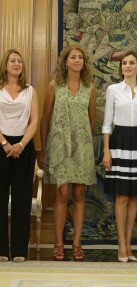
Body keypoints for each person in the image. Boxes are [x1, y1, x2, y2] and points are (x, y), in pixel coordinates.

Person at [40, 44, 96, 261]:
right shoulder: (55, 86)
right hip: (59, 148)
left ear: (84, 63)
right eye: (73, 57)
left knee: (79, 194)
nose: (77, 60)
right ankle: (58, 243)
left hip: (82, 149)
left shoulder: (90, 87)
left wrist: (80, 139)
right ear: (65, 62)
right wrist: (44, 150)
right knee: (62, 195)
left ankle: (77, 244)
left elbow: (91, 121)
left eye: (80, 57)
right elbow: (45, 120)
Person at [102, 50, 137, 262]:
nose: (127, 66)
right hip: (119, 141)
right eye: (124, 63)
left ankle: (129, 244)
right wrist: (106, 151)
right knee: (121, 195)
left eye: (131, 63)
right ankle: (121, 246)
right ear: (121, 67)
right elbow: (107, 123)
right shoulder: (113, 90)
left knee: (134, 195)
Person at [0, 49, 38, 262]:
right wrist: (5, 143)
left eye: (20, 61)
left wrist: (21, 145)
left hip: (24, 148)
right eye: (13, 61)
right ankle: (1, 250)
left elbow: (34, 120)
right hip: (1, 147)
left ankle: (20, 250)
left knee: (21, 200)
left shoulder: (30, 91)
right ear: (5, 65)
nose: (17, 64)